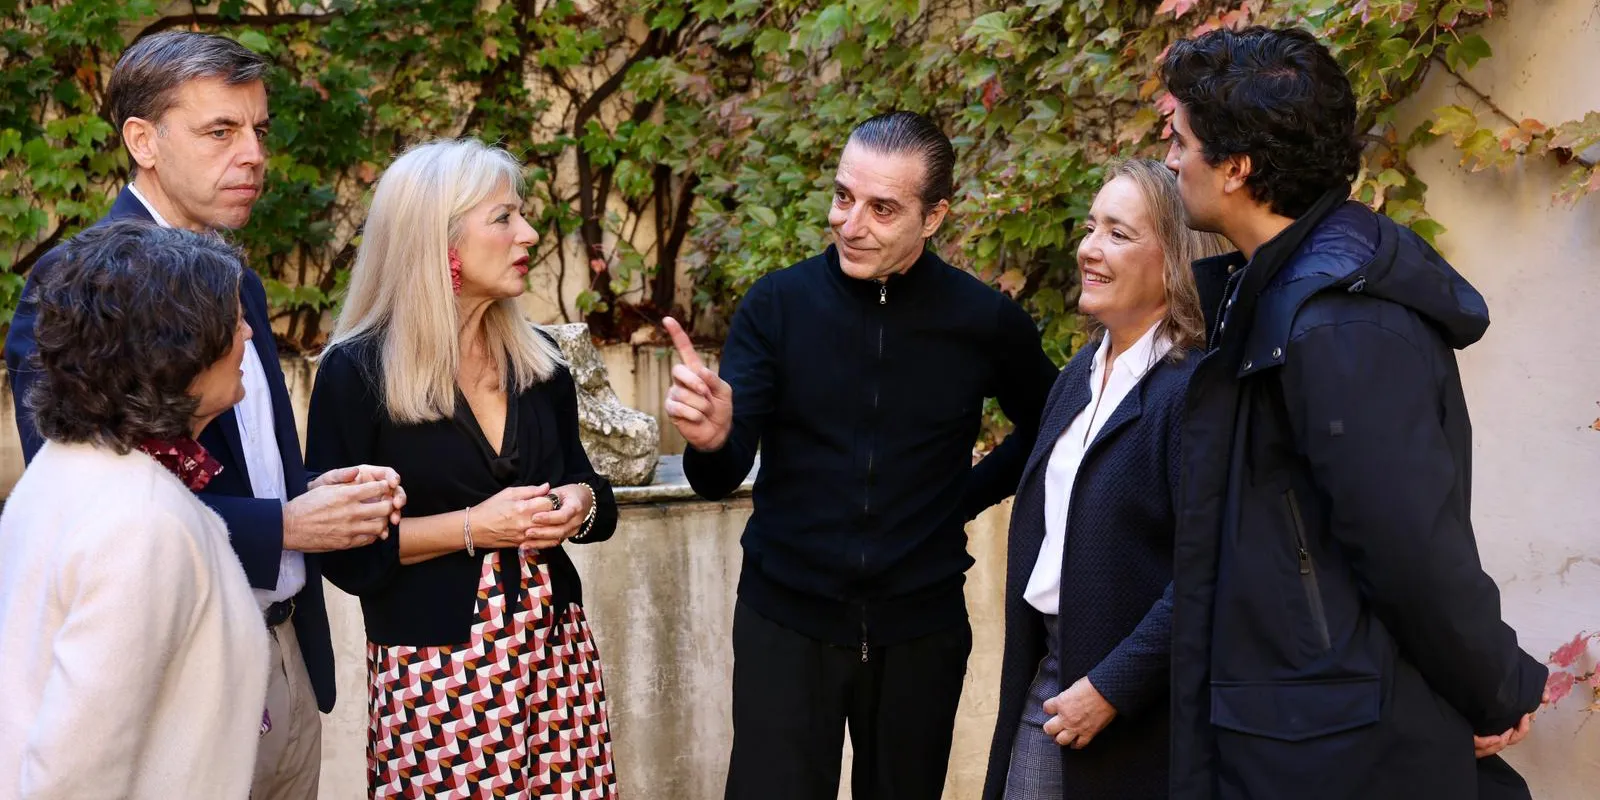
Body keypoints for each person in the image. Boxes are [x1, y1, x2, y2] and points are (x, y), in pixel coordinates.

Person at [1, 31, 403, 799]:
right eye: (220, 131)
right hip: (168, 688)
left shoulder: (234, 280)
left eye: (259, 130)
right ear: (143, 141)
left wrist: (314, 494)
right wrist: (284, 525)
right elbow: (86, 496)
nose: (253, 155)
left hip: (285, 659)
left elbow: (242, 460)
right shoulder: (75, 282)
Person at [1160, 26, 1548, 800]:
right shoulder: (1268, 292)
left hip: (1338, 746)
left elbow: (1411, 548)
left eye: (1180, 141)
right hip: (1294, 727)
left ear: (1236, 168)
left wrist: (1497, 687)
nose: (1170, 160)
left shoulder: (1339, 324)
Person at [662, 110, 1059, 800]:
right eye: (843, 196)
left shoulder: (982, 320)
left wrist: (959, 501)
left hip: (921, 631)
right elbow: (718, 475)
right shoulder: (776, 307)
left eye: (882, 208)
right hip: (785, 623)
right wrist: (715, 439)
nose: (850, 224)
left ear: (934, 217)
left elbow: (1051, 430)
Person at [306, 137, 620, 798]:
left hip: (556, 656)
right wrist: (475, 526)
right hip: (436, 675)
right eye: (504, 217)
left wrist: (577, 505)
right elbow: (344, 553)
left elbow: (594, 493)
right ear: (440, 241)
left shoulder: (539, 362)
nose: (528, 233)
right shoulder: (356, 373)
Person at [982, 159, 1228, 800]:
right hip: (1051, 671)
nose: (1089, 248)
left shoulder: (1193, 388)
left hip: (1141, 700)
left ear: (1175, 258)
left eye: (1118, 234)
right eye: (1091, 227)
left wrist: (1113, 686)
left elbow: (1211, 567)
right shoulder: (1076, 377)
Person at [0, 222, 271, 798]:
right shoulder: (142, 522)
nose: (248, 332)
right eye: (233, 320)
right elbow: (73, 778)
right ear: (180, 349)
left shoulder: (68, 467)